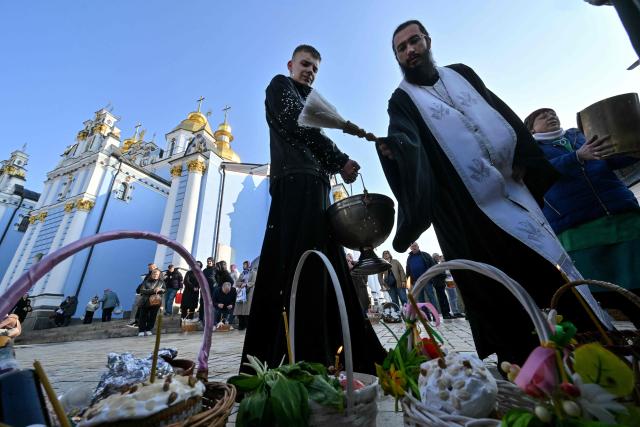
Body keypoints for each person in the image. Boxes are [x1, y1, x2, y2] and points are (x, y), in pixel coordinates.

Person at [376, 20, 609, 366]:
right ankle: (523, 365)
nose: (410, 50)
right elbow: (407, 140)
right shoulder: (402, 101)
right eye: (401, 48)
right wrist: (396, 150)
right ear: (396, 56)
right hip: (467, 212)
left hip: (512, 189)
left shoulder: (461, 73)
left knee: (548, 264)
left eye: (414, 42)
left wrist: (524, 158)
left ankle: (588, 347)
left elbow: (500, 111)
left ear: (427, 40)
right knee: (496, 287)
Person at [240, 44, 386, 375]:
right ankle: (299, 354)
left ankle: (338, 347)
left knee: (325, 265)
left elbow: (313, 133)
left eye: (315, 69)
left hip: (316, 185)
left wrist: (334, 165)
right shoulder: (281, 86)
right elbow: (300, 125)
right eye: (306, 64)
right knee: (299, 264)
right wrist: (340, 159)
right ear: (291, 63)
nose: (310, 71)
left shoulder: (310, 100)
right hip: (295, 183)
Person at [524, 108, 640, 327]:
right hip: (577, 227)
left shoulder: (579, 136)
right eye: (543, 115)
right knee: (602, 289)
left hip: (620, 213)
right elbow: (540, 172)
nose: (551, 116)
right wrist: (576, 156)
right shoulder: (532, 150)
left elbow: (611, 158)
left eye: (553, 113)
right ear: (531, 127)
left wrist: (631, 150)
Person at [405, 243, 439, 311]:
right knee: (420, 299)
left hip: (426, 280)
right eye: (412, 246)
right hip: (416, 282)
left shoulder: (425, 254)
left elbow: (433, 265)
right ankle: (426, 316)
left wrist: (431, 277)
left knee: (431, 297)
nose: (414, 247)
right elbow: (408, 270)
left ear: (418, 246)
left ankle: (435, 314)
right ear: (410, 248)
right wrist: (409, 283)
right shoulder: (409, 258)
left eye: (415, 246)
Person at [137, 268, 165, 336]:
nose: (155, 275)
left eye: (157, 274)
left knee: (153, 316)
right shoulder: (146, 281)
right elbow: (142, 290)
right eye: (154, 273)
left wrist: (160, 289)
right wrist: (153, 290)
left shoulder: (161, 282)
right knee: (143, 316)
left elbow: (164, 290)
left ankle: (148, 329)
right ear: (152, 274)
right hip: (145, 301)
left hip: (156, 301)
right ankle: (141, 330)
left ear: (159, 275)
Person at [129, 263, 156, 327]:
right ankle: (137, 321)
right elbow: (144, 282)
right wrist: (139, 289)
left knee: (145, 309)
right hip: (144, 293)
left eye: (150, 267)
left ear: (154, 267)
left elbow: (157, 283)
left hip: (150, 293)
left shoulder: (157, 273)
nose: (149, 269)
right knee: (140, 307)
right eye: (149, 268)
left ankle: (141, 322)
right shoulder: (149, 274)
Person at [233, 260, 256, 330]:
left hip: (248, 292)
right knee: (240, 309)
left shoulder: (253, 273)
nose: (243, 266)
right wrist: (241, 284)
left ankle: (246, 325)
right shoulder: (242, 274)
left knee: (246, 309)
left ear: (248, 265)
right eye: (243, 265)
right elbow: (237, 282)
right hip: (241, 292)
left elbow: (253, 282)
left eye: (245, 265)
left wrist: (246, 284)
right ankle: (241, 325)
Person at [199, 257, 217, 322]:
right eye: (208, 261)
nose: (209, 262)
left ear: (213, 262)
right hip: (204, 288)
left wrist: (216, 284)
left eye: (210, 261)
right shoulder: (204, 270)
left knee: (212, 303)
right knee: (202, 303)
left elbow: (218, 278)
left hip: (213, 289)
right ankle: (201, 318)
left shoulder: (216, 269)